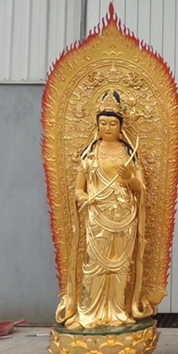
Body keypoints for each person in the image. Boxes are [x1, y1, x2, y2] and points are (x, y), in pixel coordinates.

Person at [56, 90, 147, 330]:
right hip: (97, 216)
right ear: (97, 125)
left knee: (120, 266)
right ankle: (88, 312)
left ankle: (118, 311)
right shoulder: (89, 155)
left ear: (121, 127)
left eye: (113, 123)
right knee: (94, 266)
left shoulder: (130, 154)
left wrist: (129, 178)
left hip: (124, 215)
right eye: (103, 123)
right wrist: (84, 198)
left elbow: (140, 189)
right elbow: (78, 190)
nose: (107, 127)